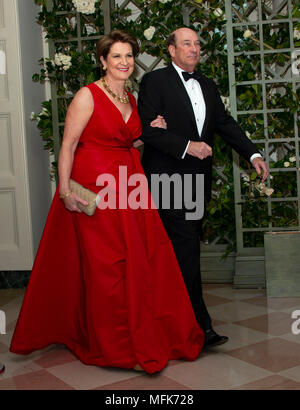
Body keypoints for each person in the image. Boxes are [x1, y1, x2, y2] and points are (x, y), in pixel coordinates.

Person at [10, 30, 204, 374]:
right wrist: (67, 191)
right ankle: (111, 343)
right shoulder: (87, 95)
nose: (124, 62)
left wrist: (146, 132)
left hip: (128, 186)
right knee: (106, 266)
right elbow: (68, 145)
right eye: (116, 56)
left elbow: (121, 141)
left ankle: (136, 334)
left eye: (129, 56)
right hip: (96, 187)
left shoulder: (129, 98)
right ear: (103, 61)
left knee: (138, 260)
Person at [138, 27, 269, 348]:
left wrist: (252, 153)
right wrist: (188, 146)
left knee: (181, 251)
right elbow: (147, 131)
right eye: (186, 43)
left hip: (197, 183)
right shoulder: (155, 82)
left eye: (197, 44)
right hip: (167, 180)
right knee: (186, 251)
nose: (194, 48)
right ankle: (199, 326)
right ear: (171, 50)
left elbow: (225, 124)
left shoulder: (207, 85)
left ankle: (171, 323)